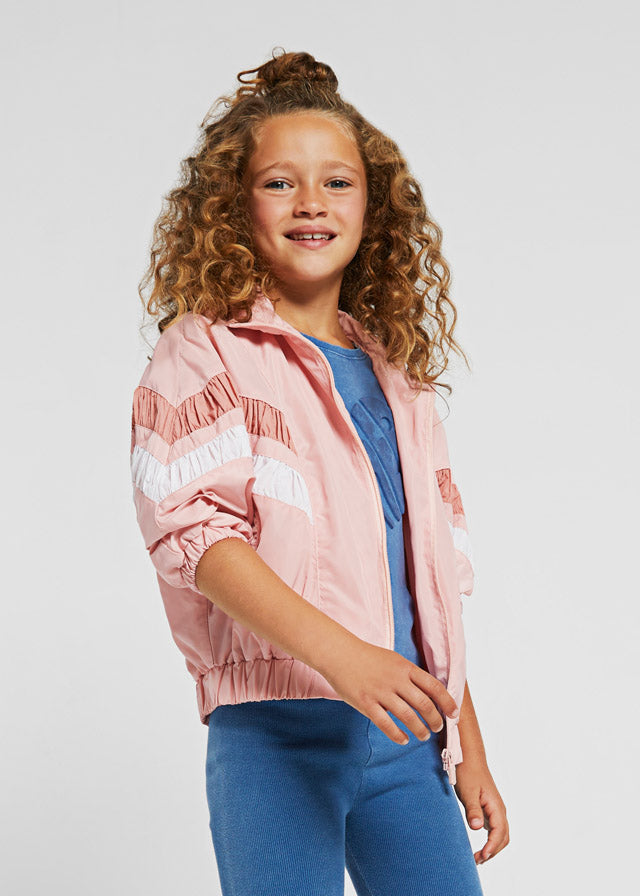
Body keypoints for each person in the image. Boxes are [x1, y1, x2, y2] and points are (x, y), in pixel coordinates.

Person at [130, 48, 509, 896]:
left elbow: (427, 580)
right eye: (279, 183)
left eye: (338, 182)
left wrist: (466, 743)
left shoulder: (398, 378)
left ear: (374, 207)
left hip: (410, 742)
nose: (311, 202)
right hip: (276, 737)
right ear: (234, 207)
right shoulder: (205, 352)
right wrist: (345, 659)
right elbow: (198, 538)